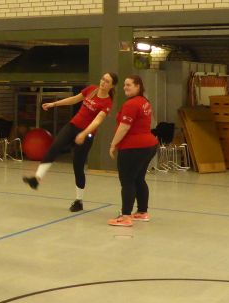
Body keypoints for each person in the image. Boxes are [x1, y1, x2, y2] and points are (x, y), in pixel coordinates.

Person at [22, 72, 117, 212]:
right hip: (72, 126)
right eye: (103, 79)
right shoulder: (92, 89)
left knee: (78, 166)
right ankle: (36, 179)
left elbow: (97, 121)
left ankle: (79, 201)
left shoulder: (107, 103)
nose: (103, 82)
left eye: (107, 81)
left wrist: (84, 134)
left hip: (87, 134)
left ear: (112, 86)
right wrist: (54, 104)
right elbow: (74, 99)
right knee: (54, 147)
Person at [107, 75, 159, 227]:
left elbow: (124, 127)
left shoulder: (131, 104)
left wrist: (113, 144)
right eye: (124, 85)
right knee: (139, 179)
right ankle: (142, 212)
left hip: (134, 148)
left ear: (138, 86)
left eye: (129, 85)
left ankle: (125, 216)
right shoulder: (144, 102)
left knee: (127, 181)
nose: (125, 87)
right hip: (149, 145)